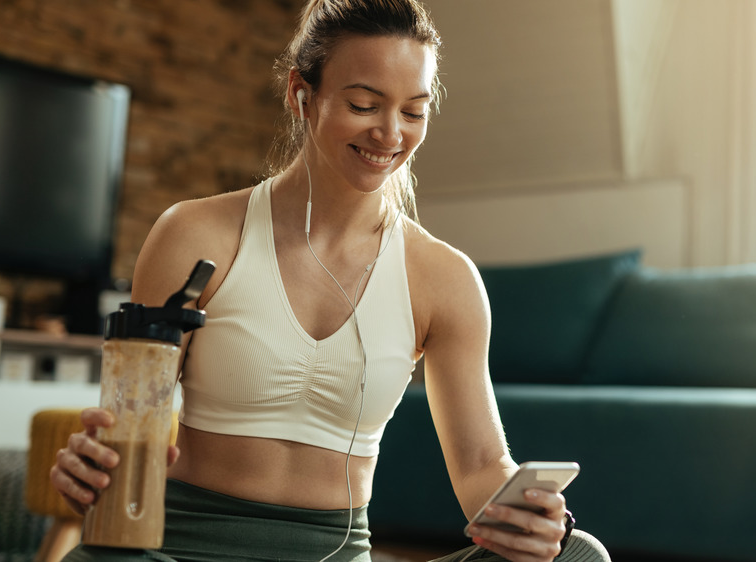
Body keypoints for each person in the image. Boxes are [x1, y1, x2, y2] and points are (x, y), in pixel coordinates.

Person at [50, 1, 611, 561]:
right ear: (302, 93)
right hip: (177, 551)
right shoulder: (195, 235)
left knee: (579, 555)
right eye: (365, 104)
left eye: (414, 112)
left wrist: (532, 520)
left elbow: (481, 468)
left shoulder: (444, 278)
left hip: (333, 553)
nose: (390, 134)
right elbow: (130, 428)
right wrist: (91, 471)